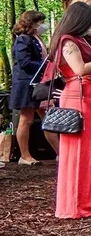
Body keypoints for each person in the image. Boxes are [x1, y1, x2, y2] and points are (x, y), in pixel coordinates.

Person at [48, 2, 91, 218]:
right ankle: (78, 203)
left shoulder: (80, 40)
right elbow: (79, 69)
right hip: (79, 99)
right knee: (81, 152)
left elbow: (86, 58)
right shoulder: (67, 41)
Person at [12, 10, 58, 165]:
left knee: (48, 118)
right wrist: (46, 65)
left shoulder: (35, 38)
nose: (42, 25)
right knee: (27, 119)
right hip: (27, 84)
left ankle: (60, 152)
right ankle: (24, 156)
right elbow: (25, 63)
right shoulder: (23, 40)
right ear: (31, 23)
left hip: (39, 84)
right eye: (39, 22)